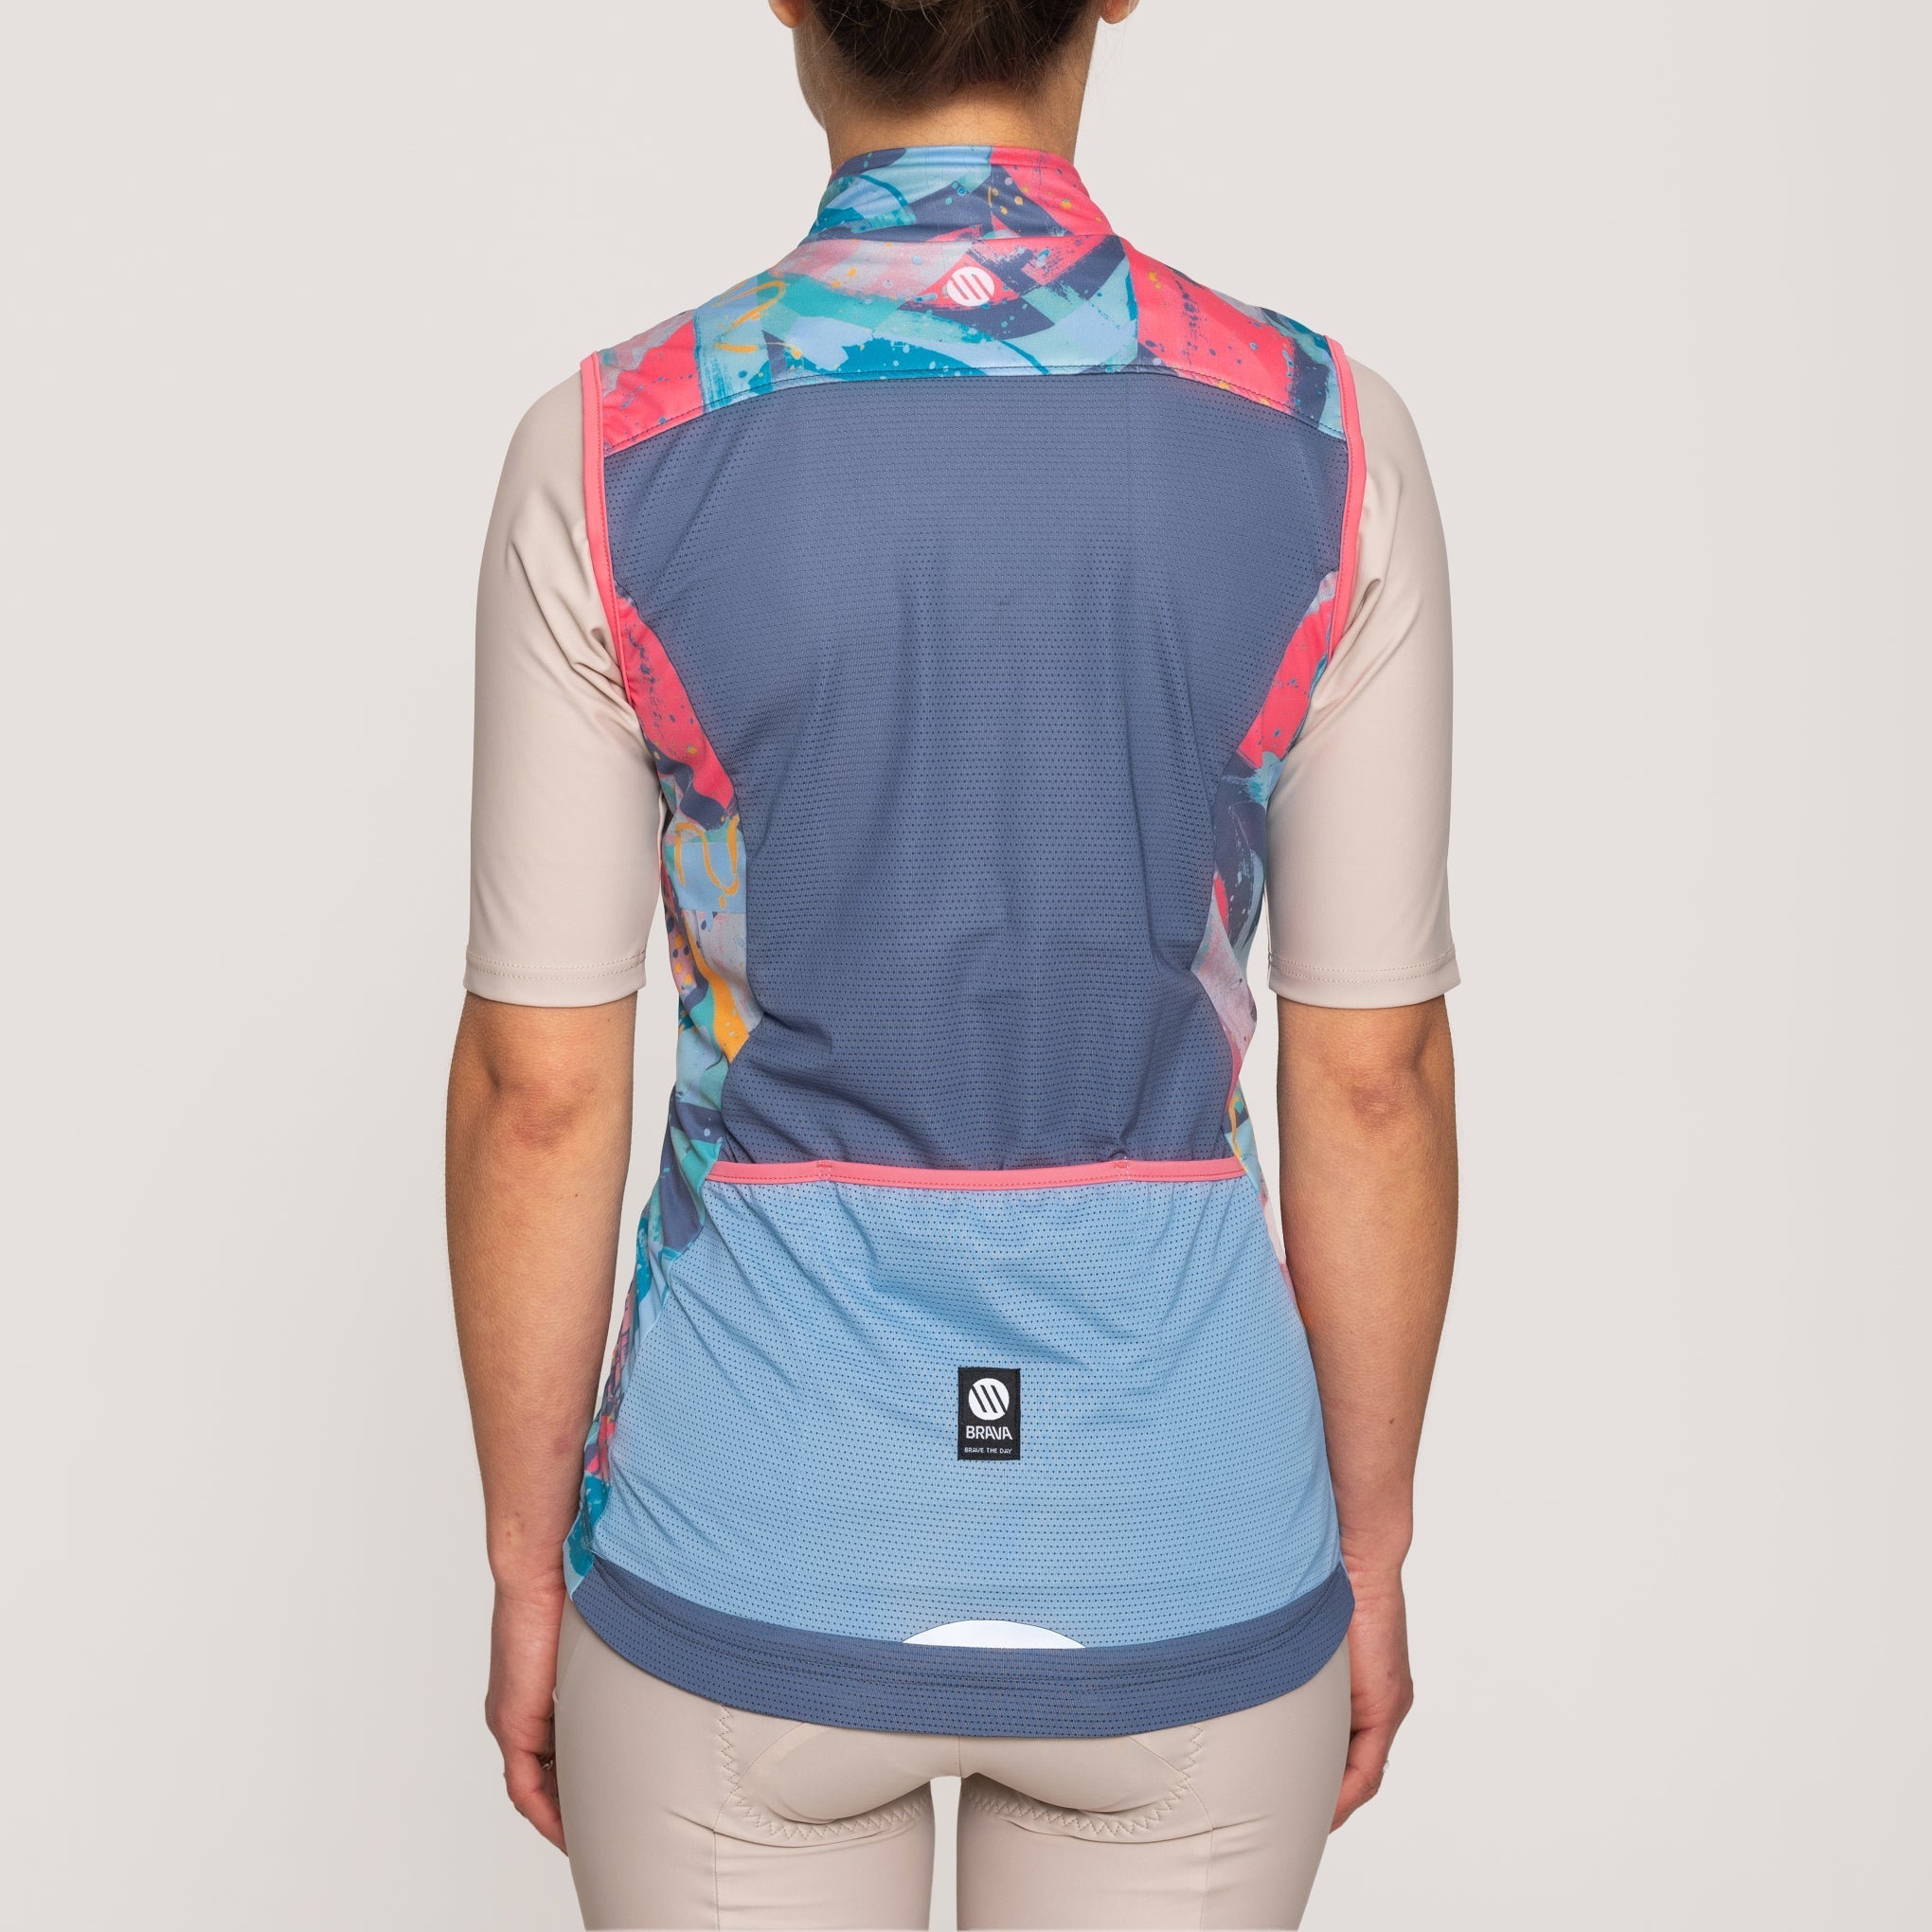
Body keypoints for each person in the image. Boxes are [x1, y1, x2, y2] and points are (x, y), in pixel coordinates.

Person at [446, 1, 1458, 1923]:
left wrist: (522, 1568)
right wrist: (1372, 1550)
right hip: (1183, 1527)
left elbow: (539, 1094)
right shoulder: (1327, 439)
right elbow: (1373, 1076)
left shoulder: (615, 445)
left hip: (747, 1526)